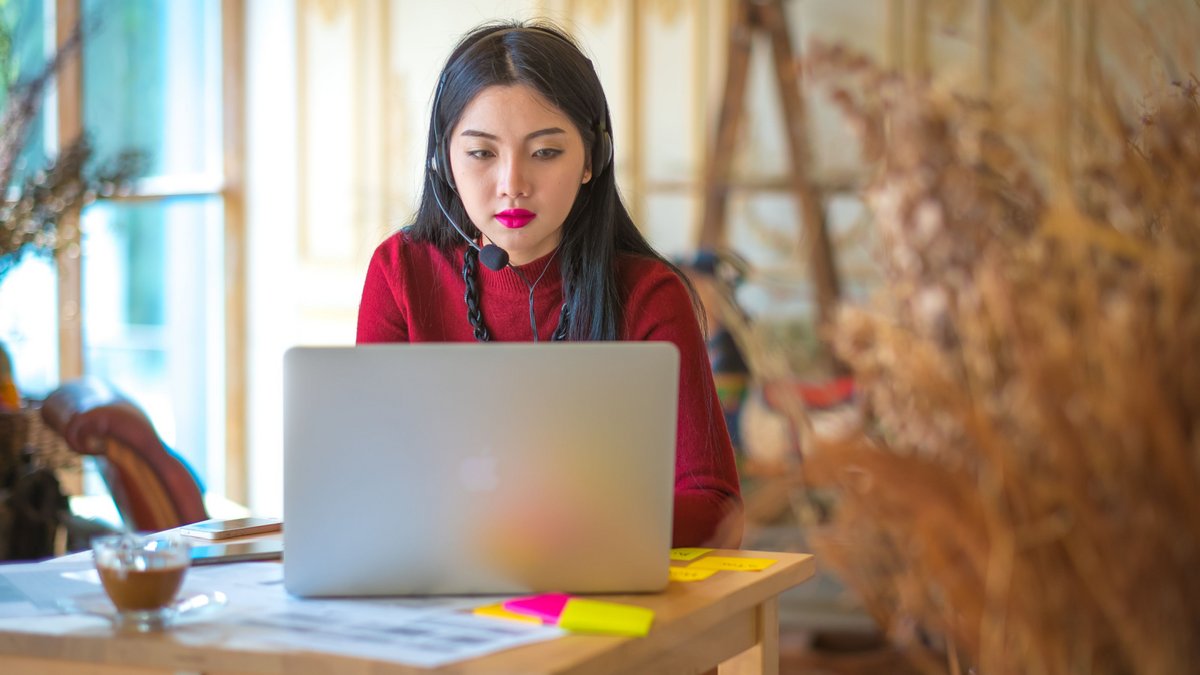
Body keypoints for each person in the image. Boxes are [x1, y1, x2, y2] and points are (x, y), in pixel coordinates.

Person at [356, 20, 742, 548]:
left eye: (545, 152)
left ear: (592, 160)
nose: (512, 183)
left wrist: (567, 531)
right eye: (481, 153)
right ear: (443, 161)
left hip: (591, 586)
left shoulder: (651, 294)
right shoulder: (400, 272)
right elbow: (371, 479)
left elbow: (716, 507)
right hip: (432, 584)